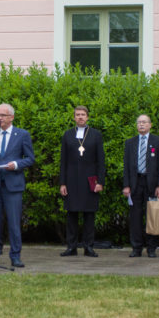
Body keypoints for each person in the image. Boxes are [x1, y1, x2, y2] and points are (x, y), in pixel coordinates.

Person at [0, 104, 35, 268]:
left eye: (3, 115)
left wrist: (16, 164)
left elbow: (30, 158)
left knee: (13, 222)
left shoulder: (22, 134)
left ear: (11, 117)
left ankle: (15, 256)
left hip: (13, 184)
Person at [59, 106, 105, 258]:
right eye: (77, 115)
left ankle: (88, 247)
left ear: (87, 117)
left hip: (90, 180)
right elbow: (63, 161)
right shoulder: (67, 135)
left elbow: (101, 161)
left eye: (83, 115)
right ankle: (71, 247)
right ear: (74, 117)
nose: (80, 117)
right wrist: (62, 183)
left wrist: (100, 181)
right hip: (71, 180)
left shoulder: (96, 135)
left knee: (89, 215)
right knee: (71, 215)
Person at [122, 114, 159, 258]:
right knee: (135, 217)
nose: (141, 124)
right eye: (139, 122)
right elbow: (126, 167)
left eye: (144, 122)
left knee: (152, 216)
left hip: (152, 184)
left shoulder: (158, 141)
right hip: (135, 184)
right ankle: (136, 248)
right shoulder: (130, 143)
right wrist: (126, 185)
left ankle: (151, 248)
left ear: (150, 125)